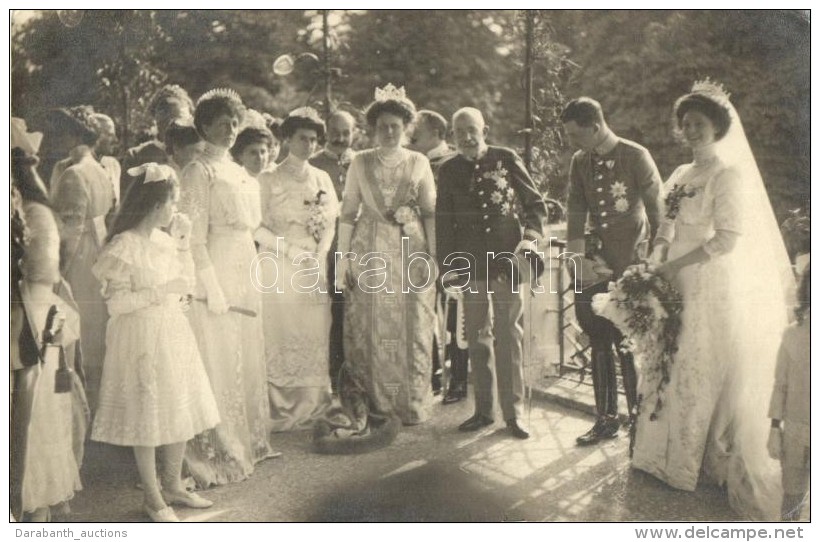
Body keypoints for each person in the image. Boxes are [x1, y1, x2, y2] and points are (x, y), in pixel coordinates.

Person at [632, 81, 794, 520]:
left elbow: (726, 239)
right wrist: (657, 255)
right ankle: (654, 456)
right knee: (663, 360)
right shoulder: (681, 174)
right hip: (672, 278)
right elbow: (665, 222)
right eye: (685, 125)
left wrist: (677, 264)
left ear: (717, 128)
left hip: (706, 280)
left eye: (699, 124)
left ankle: (687, 463)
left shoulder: (727, 175)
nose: (691, 131)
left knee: (694, 367)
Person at [91, 163, 220, 522]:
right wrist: (159, 291)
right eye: (171, 203)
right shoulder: (124, 245)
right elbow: (117, 305)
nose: (174, 210)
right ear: (154, 204)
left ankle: (173, 484)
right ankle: (152, 497)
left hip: (171, 330)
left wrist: (182, 247)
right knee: (146, 414)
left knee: (177, 408)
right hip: (139, 336)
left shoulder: (164, 241)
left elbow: (186, 285)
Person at [178, 88, 278, 488]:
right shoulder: (198, 171)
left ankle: (250, 440)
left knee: (246, 349)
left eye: (235, 122)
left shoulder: (239, 170)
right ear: (203, 126)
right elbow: (193, 237)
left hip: (244, 263)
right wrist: (210, 286)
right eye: (222, 123)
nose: (231, 130)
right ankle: (220, 447)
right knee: (218, 354)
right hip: (215, 264)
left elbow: (253, 227)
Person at [436, 107, 547, 440]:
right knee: (477, 336)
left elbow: (535, 205)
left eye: (472, 130)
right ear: (452, 137)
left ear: (485, 129)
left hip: (506, 263)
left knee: (508, 335)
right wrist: (448, 267)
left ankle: (513, 414)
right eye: (459, 132)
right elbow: (443, 220)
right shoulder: (448, 170)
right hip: (470, 265)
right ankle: (484, 411)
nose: (467, 137)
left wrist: (528, 241)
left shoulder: (506, 157)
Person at [561, 97, 662, 446]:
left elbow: (658, 212)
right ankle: (605, 420)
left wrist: (653, 262)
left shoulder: (635, 156)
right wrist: (576, 261)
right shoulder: (580, 161)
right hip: (594, 265)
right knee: (598, 338)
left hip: (630, 265)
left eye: (576, 134)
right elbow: (575, 209)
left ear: (595, 126)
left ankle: (638, 423)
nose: (573, 142)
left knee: (629, 344)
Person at [335, 84, 437, 426]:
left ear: (406, 127)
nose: (389, 132)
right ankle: (374, 404)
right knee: (369, 324)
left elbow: (430, 211)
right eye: (383, 126)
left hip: (411, 249)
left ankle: (409, 402)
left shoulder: (419, 161)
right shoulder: (359, 163)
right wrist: (344, 259)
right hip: (370, 249)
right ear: (373, 129)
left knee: (414, 325)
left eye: (395, 126)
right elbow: (348, 213)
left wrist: (433, 257)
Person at [10, 119, 87, 522]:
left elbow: (39, 271)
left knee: (36, 408)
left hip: (31, 312)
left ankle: (31, 503)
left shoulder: (33, 212)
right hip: (37, 308)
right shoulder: (31, 206)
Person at [255, 107, 339, 431]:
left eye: (314, 139)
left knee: (313, 331)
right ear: (287, 138)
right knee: (281, 333)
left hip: (313, 266)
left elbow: (331, 222)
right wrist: (290, 251)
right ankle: (279, 406)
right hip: (278, 263)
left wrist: (319, 256)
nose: (309, 144)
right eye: (302, 138)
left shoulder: (322, 178)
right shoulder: (268, 178)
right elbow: (256, 228)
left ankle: (313, 404)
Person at [50, 106, 117, 412]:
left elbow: (71, 231)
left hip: (81, 257)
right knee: (93, 331)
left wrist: (56, 273)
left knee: (79, 328)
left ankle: (82, 410)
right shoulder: (100, 170)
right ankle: (96, 405)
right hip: (99, 253)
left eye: (63, 131)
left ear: (74, 135)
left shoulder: (75, 173)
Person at [409, 109, 468, 404]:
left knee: (455, 315)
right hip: (420, 246)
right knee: (422, 310)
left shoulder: (455, 161)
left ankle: (458, 379)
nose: (410, 134)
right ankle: (429, 374)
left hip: (454, 247)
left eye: (416, 129)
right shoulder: (410, 162)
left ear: (435, 133)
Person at [310, 109, 357, 389]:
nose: (340, 138)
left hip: (356, 249)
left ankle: (355, 375)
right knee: (330, 312)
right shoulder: (315, 164)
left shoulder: (361, 162)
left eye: (346, 133)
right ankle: (333, 375)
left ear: (355, 133)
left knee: (354, 312)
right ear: (326, 132)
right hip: (324, 251)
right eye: (335, 132)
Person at [768, 264, 810, 521]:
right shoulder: (792, 335)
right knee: (792, 499)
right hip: (795, 429)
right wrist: (774, 428)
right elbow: (780, 384)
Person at [121, 84, 194, 198]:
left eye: (181, 120)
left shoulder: (198, 153)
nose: (174, 126)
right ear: (156, 120)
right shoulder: (137, 157)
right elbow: (128, 208)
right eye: (167, 119)